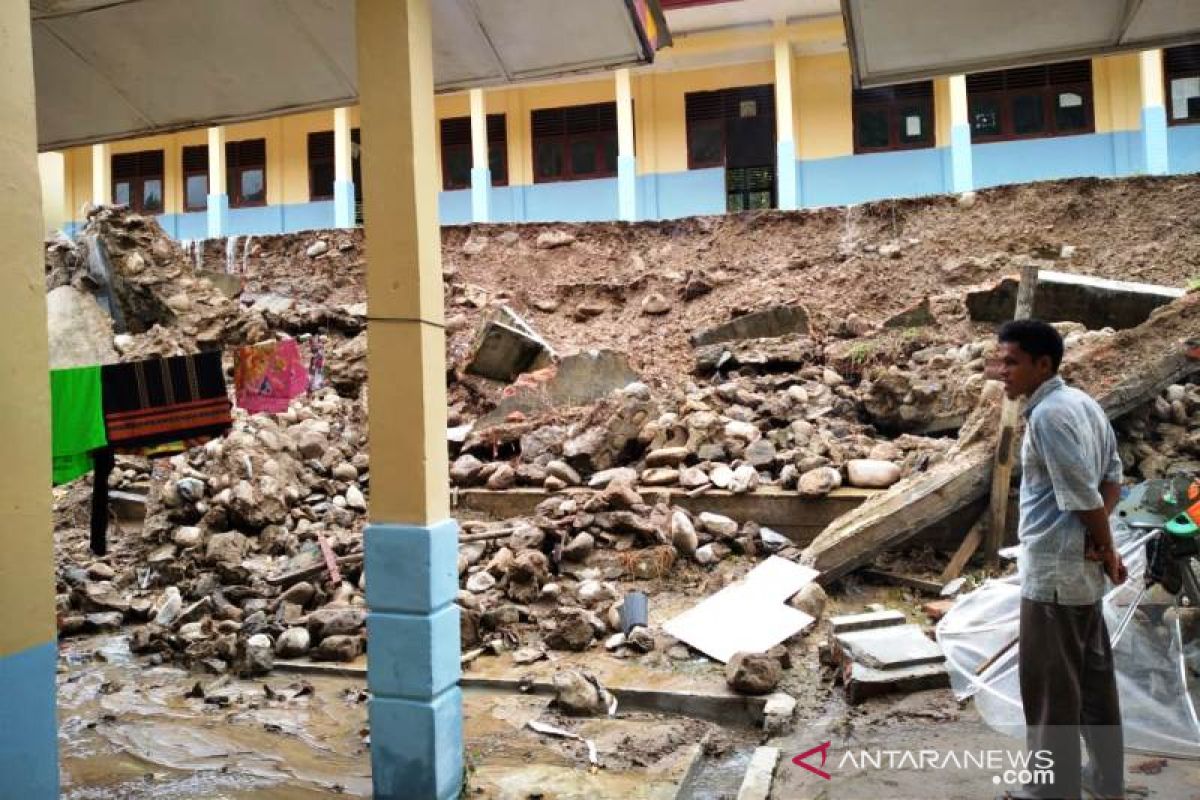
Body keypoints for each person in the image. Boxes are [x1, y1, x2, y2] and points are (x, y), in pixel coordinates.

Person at [996, 319, 1126, 800]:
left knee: (1051, 690)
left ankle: (1051, 789)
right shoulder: (1084, 403)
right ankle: (1106, 780)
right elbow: (1113, 477)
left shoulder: (1050, 415)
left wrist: (1106, 547)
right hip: (1081, 575)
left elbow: (1081, 495)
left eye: (1011, 361)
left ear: (1042, 364)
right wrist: (1099, 546)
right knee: (1094, 685)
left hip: (1053, 576)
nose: (1001, 371)